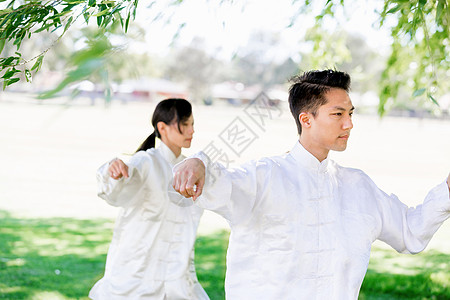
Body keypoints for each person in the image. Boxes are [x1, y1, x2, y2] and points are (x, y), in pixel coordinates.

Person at [172, 70, 450, 299]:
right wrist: (198, 162)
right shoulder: (263, 177)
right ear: (306, 119)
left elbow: (411, 231)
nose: (349, 124)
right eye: (338, 114)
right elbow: (218, 183)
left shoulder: (358, 187)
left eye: (350, 114)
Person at [89, 98, 209, 300]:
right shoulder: (146, 161)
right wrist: (115, 171)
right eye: (185, 124)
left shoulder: (189, 168)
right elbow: (116, 188)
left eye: (193, 124)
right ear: (162, 127)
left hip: (176, 275)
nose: (192, 131)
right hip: (138, 273)